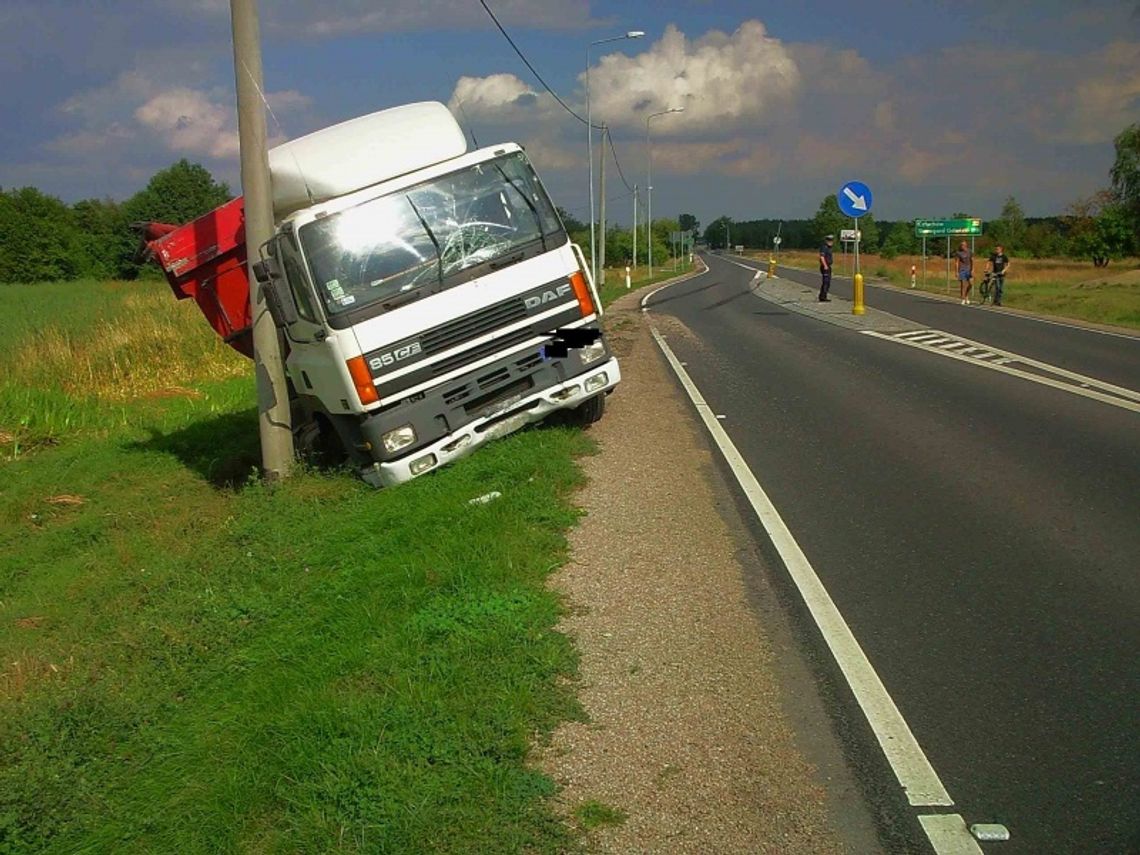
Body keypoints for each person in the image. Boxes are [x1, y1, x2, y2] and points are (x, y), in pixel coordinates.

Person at [956, 240, 973, 305]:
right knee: (963, 284)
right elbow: (957, 262)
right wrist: (957, 272)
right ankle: (963, 298)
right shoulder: (959, 253)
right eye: (962, 245)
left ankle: (966, 295)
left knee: (970, 284)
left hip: (969, 269)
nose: (963, 246)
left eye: (964, 245)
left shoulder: (970, 251)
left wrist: (973, 269)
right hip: (962, 269)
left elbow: (972, 260)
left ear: (966, 245)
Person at [819, 234, 834, 302]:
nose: (831, 242)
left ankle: (823, 296)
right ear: (826, 241)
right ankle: (823, 297)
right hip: (825, 267)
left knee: (827, 282)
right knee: (826, 282)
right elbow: (822, 257)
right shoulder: (824, 247)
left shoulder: (829, 248)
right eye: (829, 241)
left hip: (828, 266)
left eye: (831, 241)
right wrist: (825, 266)